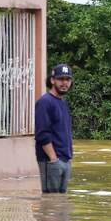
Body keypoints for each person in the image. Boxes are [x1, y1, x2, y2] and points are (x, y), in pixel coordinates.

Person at [35, 64, 74, 193]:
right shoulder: (45, 102)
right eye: (61, 79)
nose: (64, 83)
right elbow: (42, 134)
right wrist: (53, 159)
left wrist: (68, 159)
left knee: (61, 205)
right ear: (52, 80)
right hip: (51, 161)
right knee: (50, 201)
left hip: (65, 160)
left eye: (67, 79)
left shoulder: (62, 102)